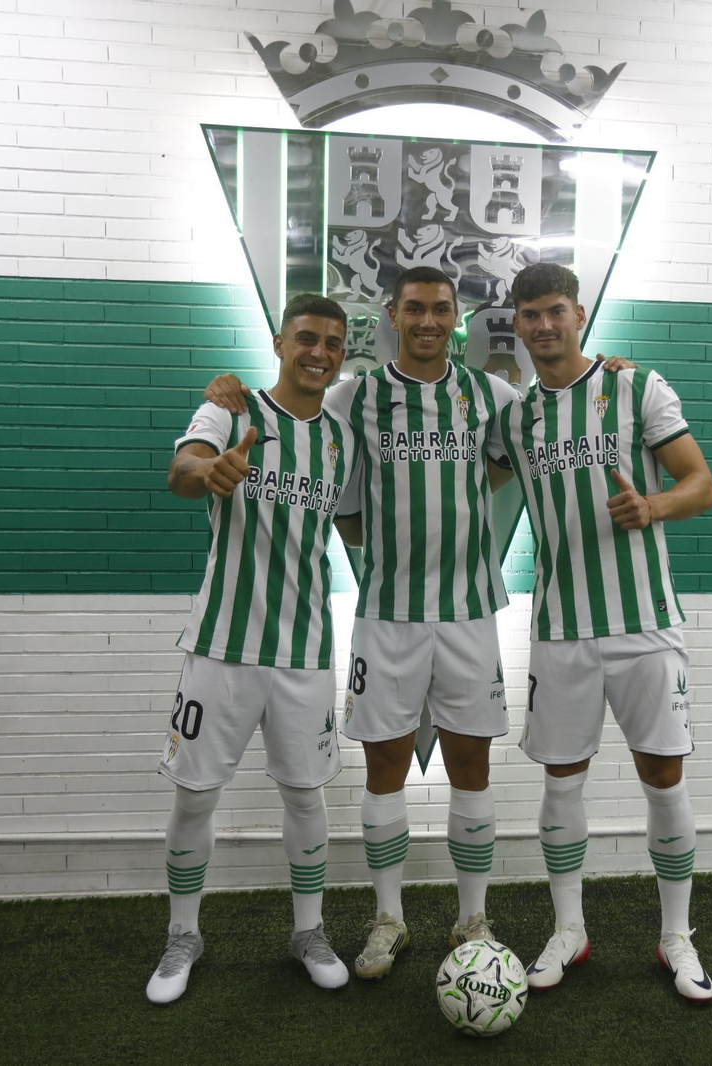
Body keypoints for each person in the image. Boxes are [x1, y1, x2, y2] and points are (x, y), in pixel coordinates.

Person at [201, 266, 520, 979]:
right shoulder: (355, 396)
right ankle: (389, 919)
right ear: (393, 315)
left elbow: (509, 459)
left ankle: (472, 918)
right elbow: (321, 462)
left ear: (456, 316)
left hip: (471, 613)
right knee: (385, 770)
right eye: (415, 308)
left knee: (472, 765)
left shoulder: (489, 395)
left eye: (441, 309)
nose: (429, 320)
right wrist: (227, 391)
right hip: (387, 617)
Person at [492, 262, 712, 1002]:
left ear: (579, 313)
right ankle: (569, 931)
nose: (544, 325)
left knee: (663, 776)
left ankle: (676, 936)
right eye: (530, 315)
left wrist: (654, 508)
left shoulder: (635, 387)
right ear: (516, 325)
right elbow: (456, 470)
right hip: (561, 629)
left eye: (555, 310)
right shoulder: (516, 418)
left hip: (646, 625)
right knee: (563, 780)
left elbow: (701, 484)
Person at [145, 293, 357, 1005]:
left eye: (333, 342)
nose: (319, 352)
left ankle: (308, 930)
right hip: (222, 648)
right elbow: (181, 473)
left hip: (304, 651)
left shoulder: (340, 436)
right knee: (196, 795)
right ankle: (183, 935)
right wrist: (208, 473)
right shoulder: (229, 412)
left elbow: (353, 529)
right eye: (306, 337)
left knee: (305, 794)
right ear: (279, 340)